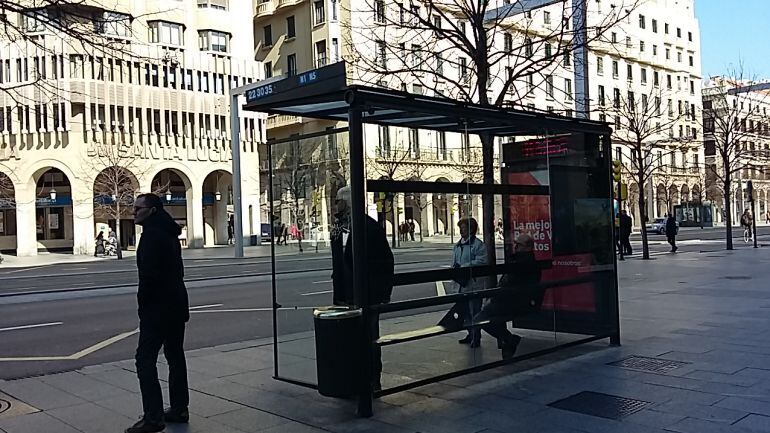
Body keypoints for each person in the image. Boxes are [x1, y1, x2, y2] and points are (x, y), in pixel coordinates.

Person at [127, 194, 190, 433]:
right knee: (175, 356)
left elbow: (150, 277)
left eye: (138, 208)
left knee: (144, 360)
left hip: (158, 308)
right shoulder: (169, 232)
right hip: (175, 303)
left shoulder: (152, 236)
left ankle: (153, 418)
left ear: (152, 210)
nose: (133, 212)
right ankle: (179, 408)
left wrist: (144, 305)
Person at [330, 186, 394, 391]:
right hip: (346, 294)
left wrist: (380, 292)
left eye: (338, 201)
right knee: (351, 340)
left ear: (347, 202)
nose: (335, 205)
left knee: (368, 338)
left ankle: (372, 378)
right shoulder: (341, 228)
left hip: (365, 294)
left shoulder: (366, 226)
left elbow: (384, 261)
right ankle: (356, 378)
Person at [474, 234, 541, 359]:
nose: (515, 246)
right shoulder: (524, 260)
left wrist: (494, 297)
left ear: (527, 247)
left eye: (518, 244)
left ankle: (509, 339)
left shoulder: (522, 262)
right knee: (490, 317)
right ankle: (507, 342)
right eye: (515, 243)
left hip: (512, 302)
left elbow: (509, 284)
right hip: (514, 301)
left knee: (478, 319)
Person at [452, 217, 488, 348]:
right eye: (460, 227)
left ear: (471, 229)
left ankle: (476, 336)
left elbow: (483, 261)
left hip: (473, 284)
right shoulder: (457, 245)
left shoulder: (478, 245)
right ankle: (470, 333)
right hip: (461, 284)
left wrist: (465, 266)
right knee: (464, 311)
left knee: (474, 311)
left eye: (464, 227)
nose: (461, 230)